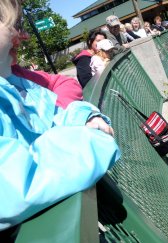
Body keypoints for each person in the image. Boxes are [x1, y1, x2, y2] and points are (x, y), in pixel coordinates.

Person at [0, 0, 120, 231]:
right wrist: (93, 141)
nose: (23, 36)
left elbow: (49, 110)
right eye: (13, 24)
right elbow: (17, 189)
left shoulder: (14, 81)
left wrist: (83, 117)